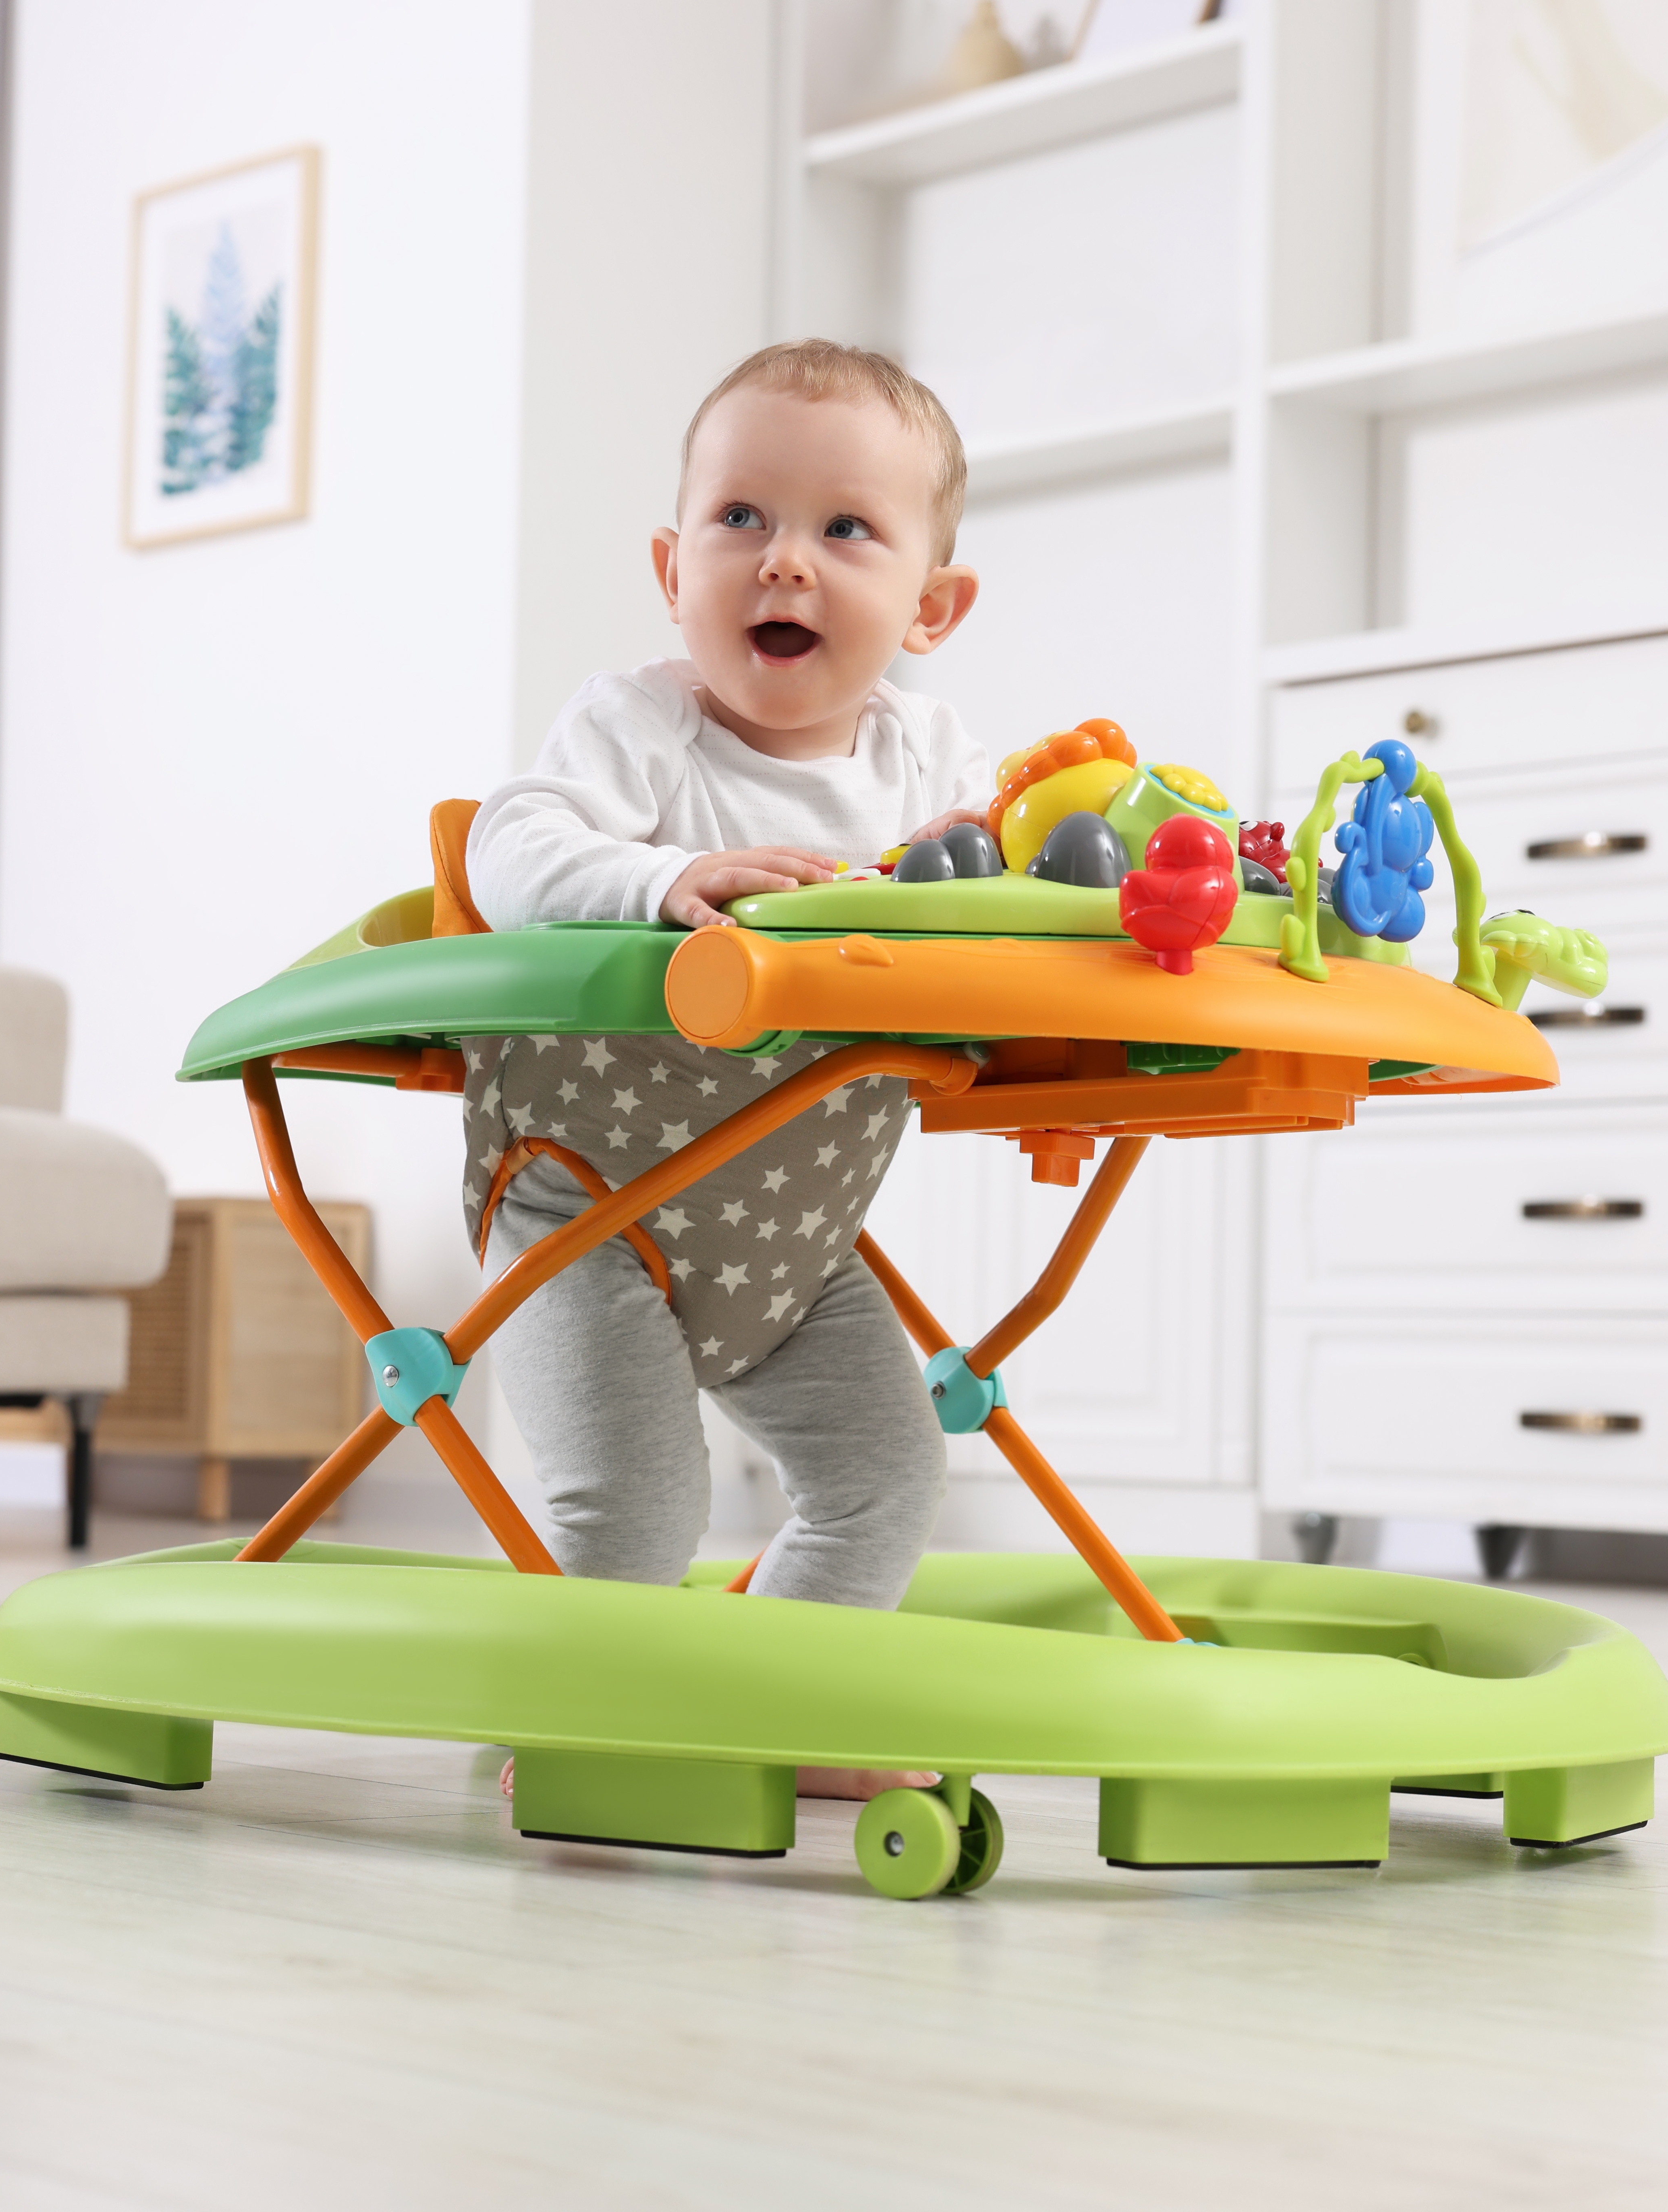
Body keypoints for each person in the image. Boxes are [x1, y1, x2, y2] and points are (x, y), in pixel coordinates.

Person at [466, 339, 986, 1801]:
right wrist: (665, 878)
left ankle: (775, 1704)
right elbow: (509, 849)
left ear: (932, 607)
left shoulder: (936, 766)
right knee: (636, 1503)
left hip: (793, 1232)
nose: (786, 564)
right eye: (741, 519)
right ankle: (588, 1730)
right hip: (585, 1206)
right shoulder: (642, 728)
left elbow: (1003, 895)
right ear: (670, 563)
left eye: (847, 529)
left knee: (888, 1478)